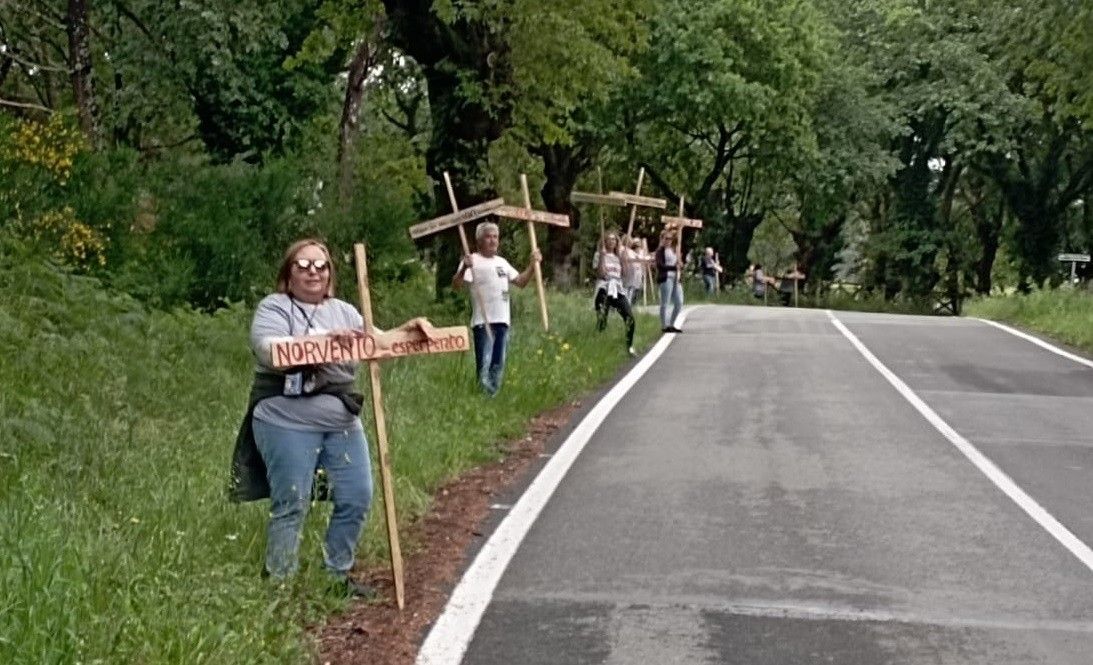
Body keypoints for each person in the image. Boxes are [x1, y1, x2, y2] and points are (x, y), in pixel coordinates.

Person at [229, 239, 376, 597]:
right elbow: (271, 351)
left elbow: (376, 342)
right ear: (288, 273)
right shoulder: (274, 307)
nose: (313, 272)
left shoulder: (345, 310)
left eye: (321, 266)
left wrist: (413, 331)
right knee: (292, 501)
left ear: (330, 274)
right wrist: (326, 341)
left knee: (357, 495)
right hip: (285, 417)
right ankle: (280, 584)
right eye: (303, 265)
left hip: (341, 419)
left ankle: (335, 577)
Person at [452, 221, 541, 396]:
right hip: (483, 320)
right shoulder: (473, 261)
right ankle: (483, 396)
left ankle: (493, 395)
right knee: (484, 362)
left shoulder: (502, 262)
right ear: (479, 240)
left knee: (498, 362)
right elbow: (456, 285)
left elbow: (521, 282)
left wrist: (533, 264)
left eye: (495, 237)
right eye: (488, 237)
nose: (493, 241)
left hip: (502, 320)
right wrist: (463, 268)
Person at [592, 232, 637, 356]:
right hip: (604, 288)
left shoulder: (619, 256)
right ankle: (598, 348)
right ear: (604, 241)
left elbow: (626, 275)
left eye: (614, 239)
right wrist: (602, 256)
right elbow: (600, 274)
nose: (612, 241)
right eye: (609, 239)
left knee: (630, 318)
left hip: (618, 289)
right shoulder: (599, 254)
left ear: (617, 242)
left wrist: (624, 261)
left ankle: (629, 346)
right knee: (602, 319)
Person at [654, 228, 684, 332]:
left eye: (670, 239)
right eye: (666, 238)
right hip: (666, 278)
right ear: (662, 239)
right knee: (665, 302)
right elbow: (660, 265)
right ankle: (664, 325)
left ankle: (671, 324)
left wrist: (680, 264)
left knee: (679, 302)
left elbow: (678, 264)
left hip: (676, 278)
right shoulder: (660, 251)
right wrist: (673, 268)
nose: (668, 241)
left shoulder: (674, 250)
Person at [623, 236, 647, 305]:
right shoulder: (624, 250)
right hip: (628, 272)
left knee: (632, 289)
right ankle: (625, 304)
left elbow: (638, 258)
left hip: (635, 273)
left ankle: (629, 304)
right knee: (627, 289)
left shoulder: (631, 251)